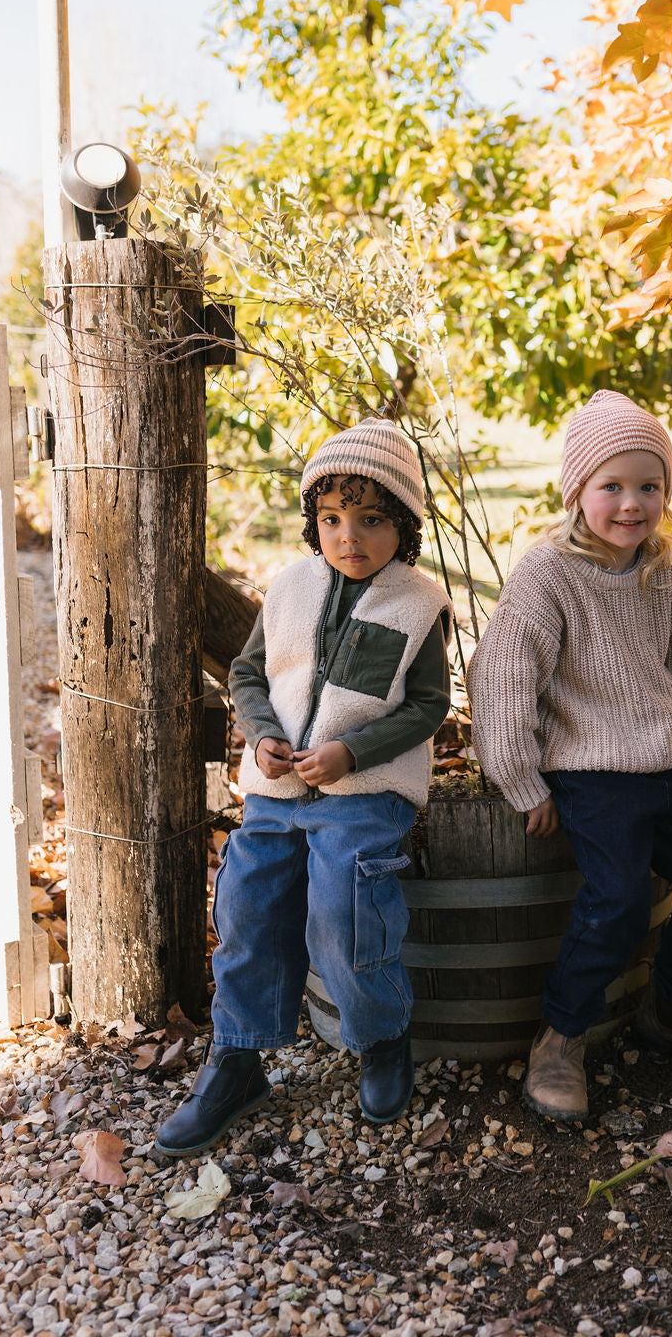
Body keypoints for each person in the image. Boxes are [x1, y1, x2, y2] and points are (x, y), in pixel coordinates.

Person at [155, 417, 452, 1157]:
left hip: (365, 791)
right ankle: (237, 1059)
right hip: (276, 789)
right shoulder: (290, 588)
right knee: (247, 908)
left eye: (371, 520)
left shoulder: (417, 604)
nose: (349, 537)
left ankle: (381, 1037)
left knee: (345, 914)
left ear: (405, 525)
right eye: (332, 519)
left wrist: (353, 751)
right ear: (313, 521)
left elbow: (427, 707)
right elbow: (249, 672)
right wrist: (260, 733)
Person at [466, 390, 672, 1122]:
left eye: (649, 486)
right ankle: (560, 1037)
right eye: (612, 486)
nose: (632, 504)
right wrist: (523, 782)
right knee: (618, 903)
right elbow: (504, 677)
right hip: (590, 772)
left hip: (667, 768)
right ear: (577, 490)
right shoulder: (548, 574)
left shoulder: (664, 570)